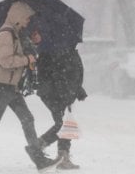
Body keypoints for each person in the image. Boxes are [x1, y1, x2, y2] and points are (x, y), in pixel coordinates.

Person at [0, 1, 61, 173]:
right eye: (26, 18)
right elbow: (5, 60)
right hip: (2, 86)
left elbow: (22, 53)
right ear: (17, 17)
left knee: (27, 119)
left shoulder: (16, 34)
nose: (27, 22)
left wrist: (32, 45)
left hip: (11, 86)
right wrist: (26, 60)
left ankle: (38, 159)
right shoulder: (6, 34)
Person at [30, 28, 87, 170]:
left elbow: (73, 74)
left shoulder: (68, 50)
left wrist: (78, 89)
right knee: (63, 124)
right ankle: (37, 147)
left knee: (65, 124)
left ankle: (62, 157)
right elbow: (57, 75)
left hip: (65, 93)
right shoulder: (52, 52)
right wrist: (65, 93)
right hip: (54, 94)